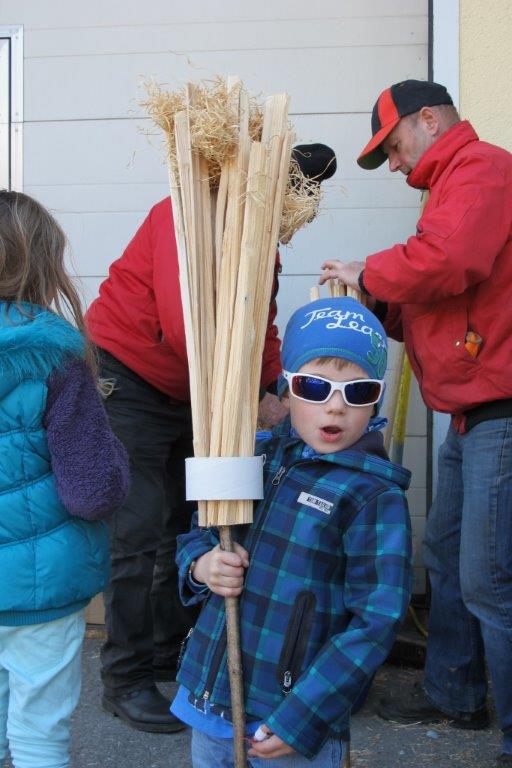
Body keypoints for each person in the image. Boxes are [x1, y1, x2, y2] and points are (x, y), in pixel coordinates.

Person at [86, 143, 337, 733]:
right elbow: (188, 328)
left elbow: (259, 324)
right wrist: (248, 395)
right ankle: (124, 679)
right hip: (131, 377)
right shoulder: (185, 217)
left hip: (192, 387)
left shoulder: (259, 242)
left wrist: (279, 389)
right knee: (137, 530)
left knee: (184, 521)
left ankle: (166, 650)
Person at [320, 79, 512, 767]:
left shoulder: (482, 170)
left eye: (393, 147)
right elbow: (437, 293)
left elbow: (451, 262)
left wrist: (369, 270)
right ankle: (455, 693)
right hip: (469, 412)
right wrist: (376, 301)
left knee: (489, 577)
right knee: (449, 556)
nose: (395, 165)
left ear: (428, 119)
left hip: (500, 408)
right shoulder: (449, 190)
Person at [171, 296, 412, 766]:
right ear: (286, 391)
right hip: (212, 701)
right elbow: (199, 530)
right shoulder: (251, 458)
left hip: (289, 725)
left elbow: (376, 620)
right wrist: (201, 565)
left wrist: (304, 717)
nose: (336, 407)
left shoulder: (372, 496)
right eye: (315, 387)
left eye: (358, 391)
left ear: (375, 400)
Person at [0, 190, 130, 768]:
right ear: (40, 263)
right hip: (40, 591)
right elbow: (91, 491)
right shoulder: (55, 356)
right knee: (38, 732)